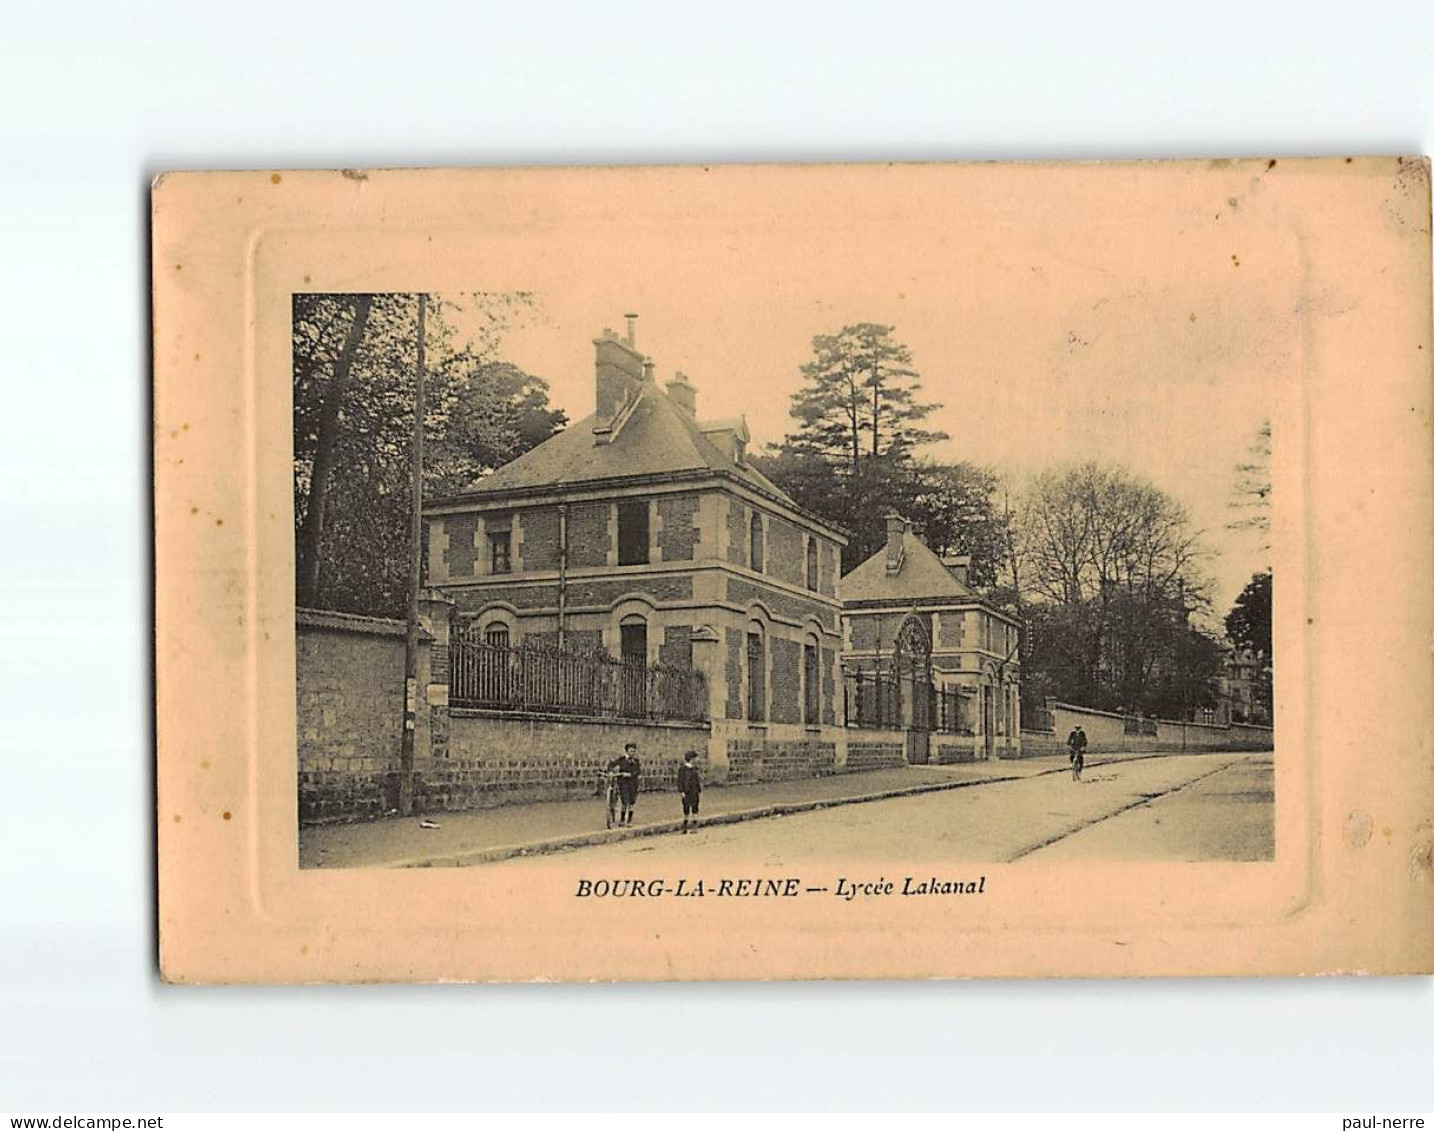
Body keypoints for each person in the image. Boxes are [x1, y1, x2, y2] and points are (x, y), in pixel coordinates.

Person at [606, 742, 642, 827]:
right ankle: (622, 820)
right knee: (625, 802)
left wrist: (631, 774)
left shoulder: (636, 761)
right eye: (631, 751)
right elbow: (612, 765)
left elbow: (638, 772)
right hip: (623, 783)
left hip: (633, 784)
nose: (632, 753)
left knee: (632, 802)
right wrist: (611, 771)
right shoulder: (621, 760)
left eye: (634, 751)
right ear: (626, 751)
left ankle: (629, 820)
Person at [677, 749, 702, 833]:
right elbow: (680, 781)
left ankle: (694, 825)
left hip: (694, 791)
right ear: (691, 759)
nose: (696, 760)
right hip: (686, 792)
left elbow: (696, 780)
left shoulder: (694, 769)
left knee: (695, 807)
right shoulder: (682, 769)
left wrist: (698, 789)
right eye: (695, 758)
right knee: (686, 808)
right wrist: (681, 791)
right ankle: (685, 826)